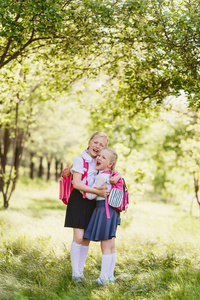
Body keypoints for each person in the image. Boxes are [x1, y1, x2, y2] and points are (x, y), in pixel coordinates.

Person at [64, 132, 120, 282]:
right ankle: (76, 274)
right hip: (80, 199)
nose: (97, 146)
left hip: (93, 201)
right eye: (96, 142)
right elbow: (77, 184)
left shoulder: (99, 161)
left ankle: (81, 272)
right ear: (89, 142)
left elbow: (111, 171)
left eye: (101, 145)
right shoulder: (80, 160)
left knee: (86, 239)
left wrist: (118, 175)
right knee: (78, 237)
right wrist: (98, 192)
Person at [84, 148, 121, 285]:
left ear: (110, 164)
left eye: (103, 158)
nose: (99, 158)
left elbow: (90, 195)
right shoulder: (113, 175)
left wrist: (88, 187)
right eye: (99, 155)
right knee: (110, 245)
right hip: (112, 211)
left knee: (105, 246)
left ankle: (103, 278)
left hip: (103, 210)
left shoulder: (101, 177)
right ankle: (110, 276)